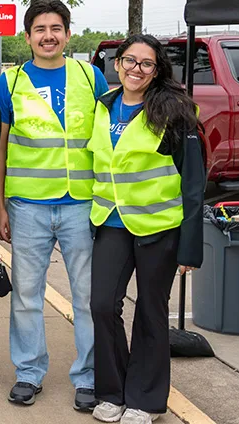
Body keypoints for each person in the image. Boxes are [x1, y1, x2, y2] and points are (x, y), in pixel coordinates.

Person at [0, 0, 108, 410]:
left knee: (87, 296)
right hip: (28, 205)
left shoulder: (90, 76)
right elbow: (1, 148)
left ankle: (89, 376)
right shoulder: (10, 82)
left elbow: (105, 137)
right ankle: (28, 372)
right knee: (26, 295)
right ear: (27, 37)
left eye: (56, 28)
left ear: (68, 33)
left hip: (81, 203)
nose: (48, 36)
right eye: (40, 29)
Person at [89, 35, 204, 424]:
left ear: (157, 70)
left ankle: (146, 400)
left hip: (160, 227)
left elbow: (193, 182)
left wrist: (190, 247)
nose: (136, 69)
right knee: (102, 305)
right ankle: (113, 391)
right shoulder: (103, 106)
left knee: (151, 313)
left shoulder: (176, 111)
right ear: (117, 63)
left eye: (146, 63)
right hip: (111, 221)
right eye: (130, 60)